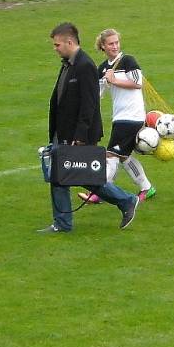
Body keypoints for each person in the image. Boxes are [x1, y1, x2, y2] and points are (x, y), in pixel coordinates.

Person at [39, 22, 139, 234]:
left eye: (57, 44)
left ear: (69, 42)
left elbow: (90, 104)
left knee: (83, 176)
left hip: (78, 135)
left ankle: (126, 200)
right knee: (60, 176)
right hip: (65, 132)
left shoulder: (84, 66)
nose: (55, 48)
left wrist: (80, 135)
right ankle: (62, 223)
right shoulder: (68, 63)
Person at [78, 29, 156, 205]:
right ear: (103, 46)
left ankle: (99, 192)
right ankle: (147, 187)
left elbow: (138, 83)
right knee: (124, 156)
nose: (115, 46)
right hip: (119, 117)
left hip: (133, 116)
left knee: (110, 155)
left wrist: (114, 80)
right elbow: (96, 93)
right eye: (110, 44)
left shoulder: (127, 61)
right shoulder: (103, 68)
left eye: (116, 42)